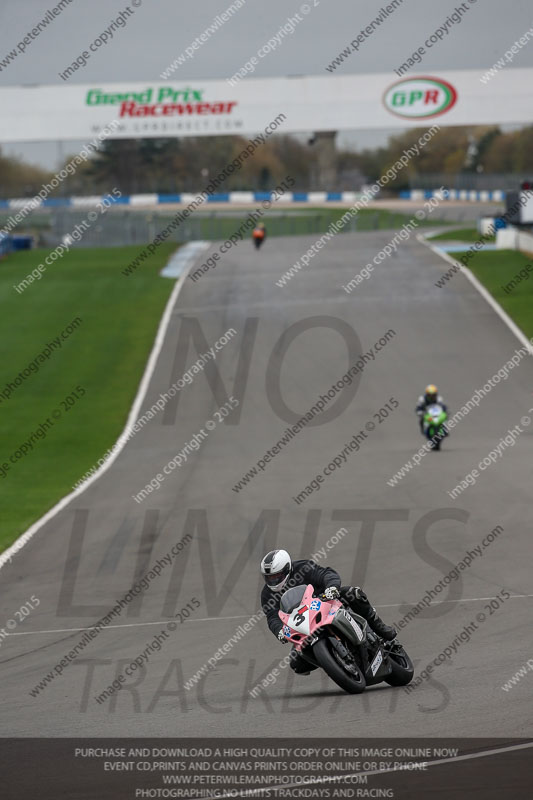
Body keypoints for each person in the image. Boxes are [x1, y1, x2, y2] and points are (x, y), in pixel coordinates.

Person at [260, 549, 396, 676]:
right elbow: (272, 616)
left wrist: (331, 588)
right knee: (297, 664)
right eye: (269, 577)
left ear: (287, 569)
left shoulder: (303, 568)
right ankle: (334, 661)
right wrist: (279, 631)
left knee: (353, 593)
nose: (273, 580)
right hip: (303, 624)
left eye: (277, 576)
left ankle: (380, 628)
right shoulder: (267, 594)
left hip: (327, 602)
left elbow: (326, 574)